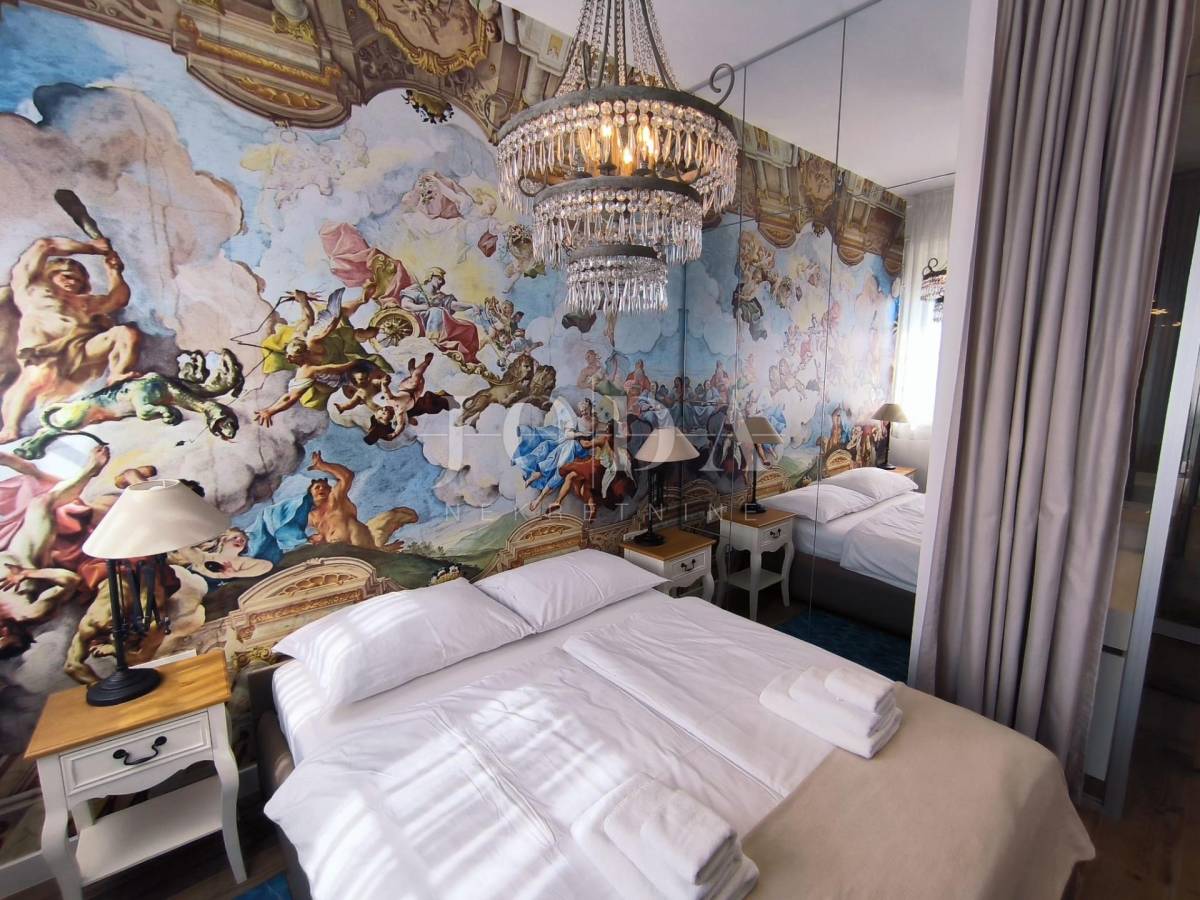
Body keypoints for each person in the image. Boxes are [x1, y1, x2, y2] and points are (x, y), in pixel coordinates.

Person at [1, 236, 141, 441]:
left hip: (79, 349)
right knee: (39, 376)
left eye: (77, 279)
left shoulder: (85, 303)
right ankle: (11, 427)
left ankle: (117, 376)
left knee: (126, 334)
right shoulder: (31, 290)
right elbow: (45, 245)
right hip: (43, 352)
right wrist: (91, 247)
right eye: (66, 276)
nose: (71, 282)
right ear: (51, 274)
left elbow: (117, 299)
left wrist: (114, 271)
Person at [305, 450, 417, 550]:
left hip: (360, 544)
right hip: (340, 553)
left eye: (326, 487)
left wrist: (324, 466)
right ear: (311, 494)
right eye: (317, 487)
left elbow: (347, 476)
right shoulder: (312, 517)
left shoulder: (335, 499)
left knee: (394, 517)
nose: (322, 489)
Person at [397, 269, 481, 363]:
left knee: (469, 327)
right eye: (439, 279)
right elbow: (405, 304)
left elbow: (454, 305)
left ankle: (469, 357)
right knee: (436, 311)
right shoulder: (416, 289)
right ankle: (433, 339)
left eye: (443, 280)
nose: (441, 282)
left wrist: (471, 305)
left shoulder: (440, 296)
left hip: (438, 321)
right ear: (430, 277)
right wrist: (422, 307)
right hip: (418, 321)